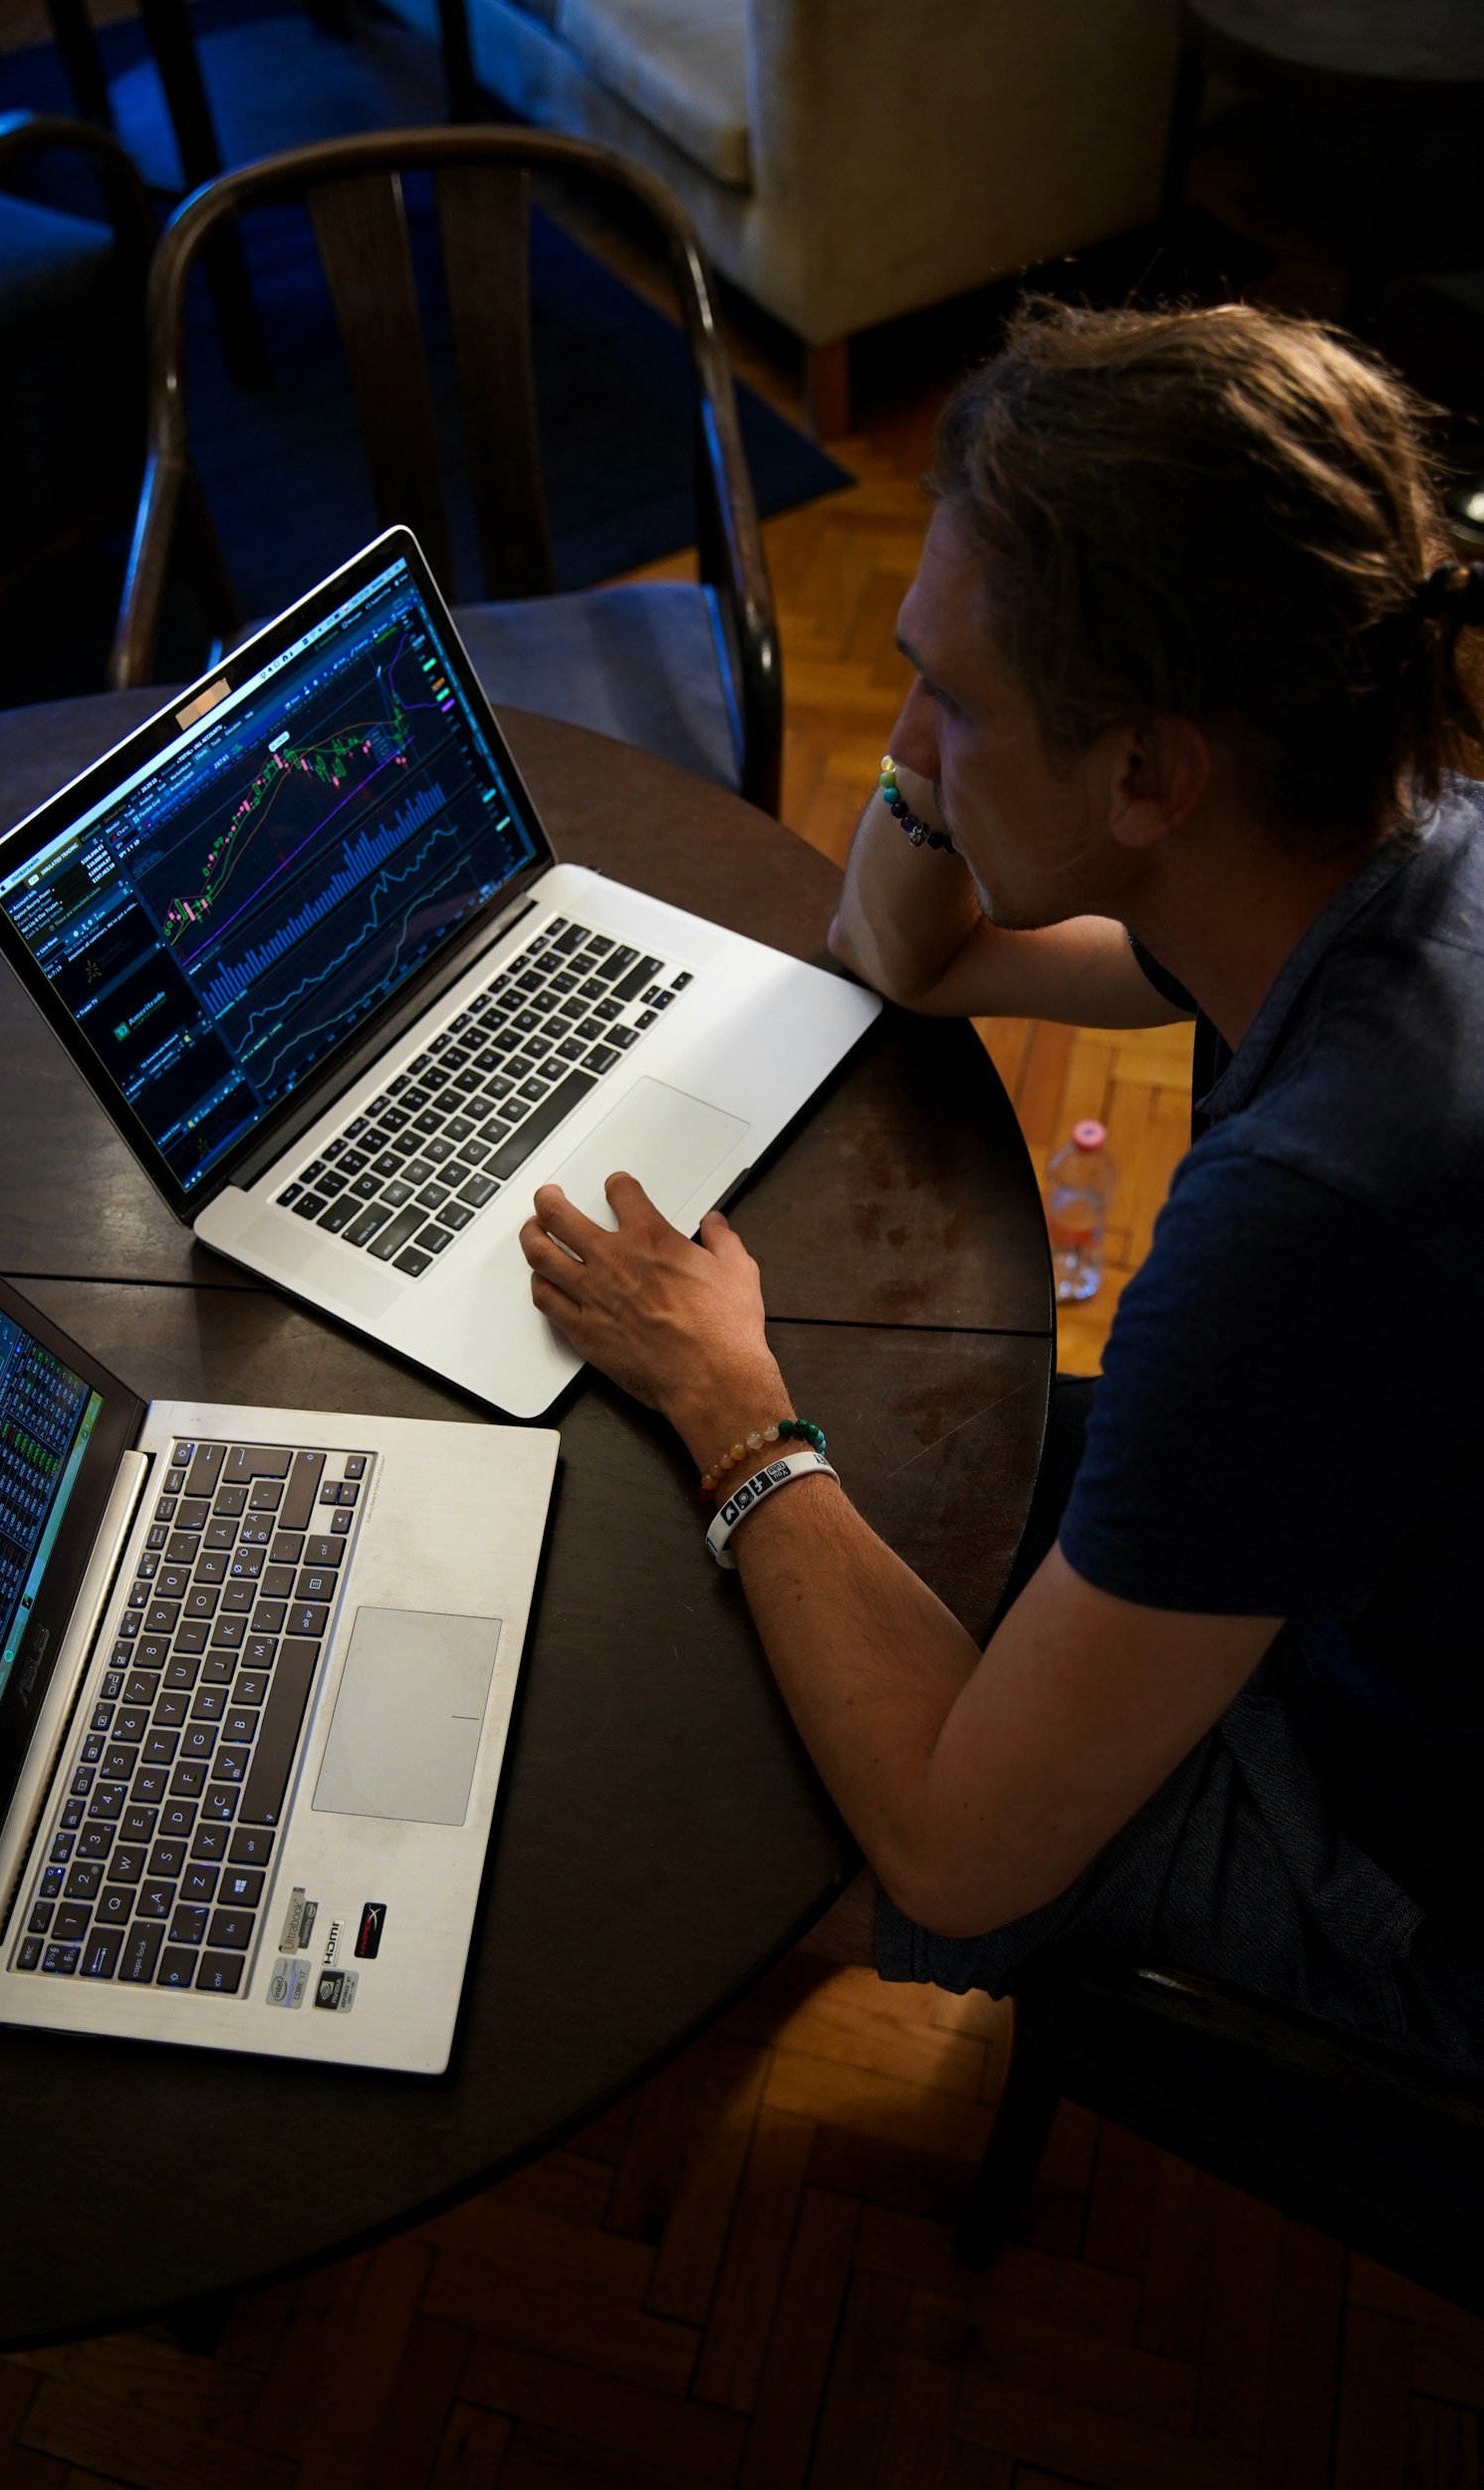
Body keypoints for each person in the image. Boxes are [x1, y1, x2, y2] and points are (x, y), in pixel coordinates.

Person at [516, 299, 1484, 2068]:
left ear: (1144, 773)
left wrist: (732, 1405)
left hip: (1415, 1886)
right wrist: (950, 710)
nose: (910, 736)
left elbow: (961, 1853)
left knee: (739, 1735)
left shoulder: (1312, 1214)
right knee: (874, 1479)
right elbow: (904, 952)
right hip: (1391, 1587)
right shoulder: (1386, 853)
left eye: (952, 700)